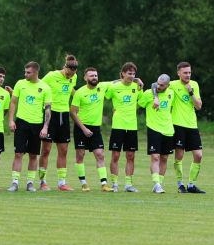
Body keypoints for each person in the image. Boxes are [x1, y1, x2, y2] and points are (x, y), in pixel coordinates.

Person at [7, 61, 52, 192]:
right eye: (25, 72)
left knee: (33, 155)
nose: (25, 74)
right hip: (21, 123)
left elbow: (48, 110)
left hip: (37, 125)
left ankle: (30, 183)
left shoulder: (45, 88)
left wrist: (45, 127)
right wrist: (11, 120)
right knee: (18, 153)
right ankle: (15, 182)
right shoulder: (20, 84)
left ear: (36, 72)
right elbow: (13, 102)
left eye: (28, 72)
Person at [164, 62, 206, 194]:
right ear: (178, 73)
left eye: (189, 72)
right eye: (185, 73)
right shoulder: (172, 84)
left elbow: (199, 106)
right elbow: (157, 86)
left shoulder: (194, 85)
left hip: (192, 125)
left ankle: (192, 185)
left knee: (198, 155)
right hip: (177, 124)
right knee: (179, 155)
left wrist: (191, 92)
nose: (188, 75)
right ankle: (180, 184)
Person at [39, 55, 78, 191]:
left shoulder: (74, 77)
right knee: (46, 150)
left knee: (63, 150)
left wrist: (79, 97)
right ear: (65, 67)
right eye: (68, 73)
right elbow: (39, 86)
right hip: (51, 115)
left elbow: (72, 90)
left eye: (72, 74)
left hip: (64, 115)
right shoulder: (51, 75)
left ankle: (62, 183)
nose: (70, 76)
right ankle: (42, 181)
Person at [70, 67, 111, 192]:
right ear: (85, 78)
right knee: (80, 155)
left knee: (100, 154)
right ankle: (84, 184)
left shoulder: (102, 87)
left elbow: (119, 81)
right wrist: (83, 129)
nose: (94, 78)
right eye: (91, 76)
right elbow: (73, 112)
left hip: (95, 128)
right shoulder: (80, 92)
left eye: (96, 75)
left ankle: (104, 184)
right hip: (81, 127)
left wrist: (136, 80)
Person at [106, 62, 143, 192]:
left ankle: (128, 185)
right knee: (115, 155)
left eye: (134, 74)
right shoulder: (114, 87)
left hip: (132, 126)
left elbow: (142, 102)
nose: (132, 76)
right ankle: (115, 184)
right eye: (129, 73)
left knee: (131, 156)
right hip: (118, 125)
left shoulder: (137, 87)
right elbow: (104, 96)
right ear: (123, 73)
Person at [140, 74, 174, 193]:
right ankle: (157, 184)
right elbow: (140, 104)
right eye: (158, 84)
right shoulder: (149, 93)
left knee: (164, 158)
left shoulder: (172, 93)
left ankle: (160, 183)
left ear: (168, 85)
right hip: (153, 128)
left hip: (168, 130)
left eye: (162, 85)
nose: (159, 86)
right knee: (155, 157)